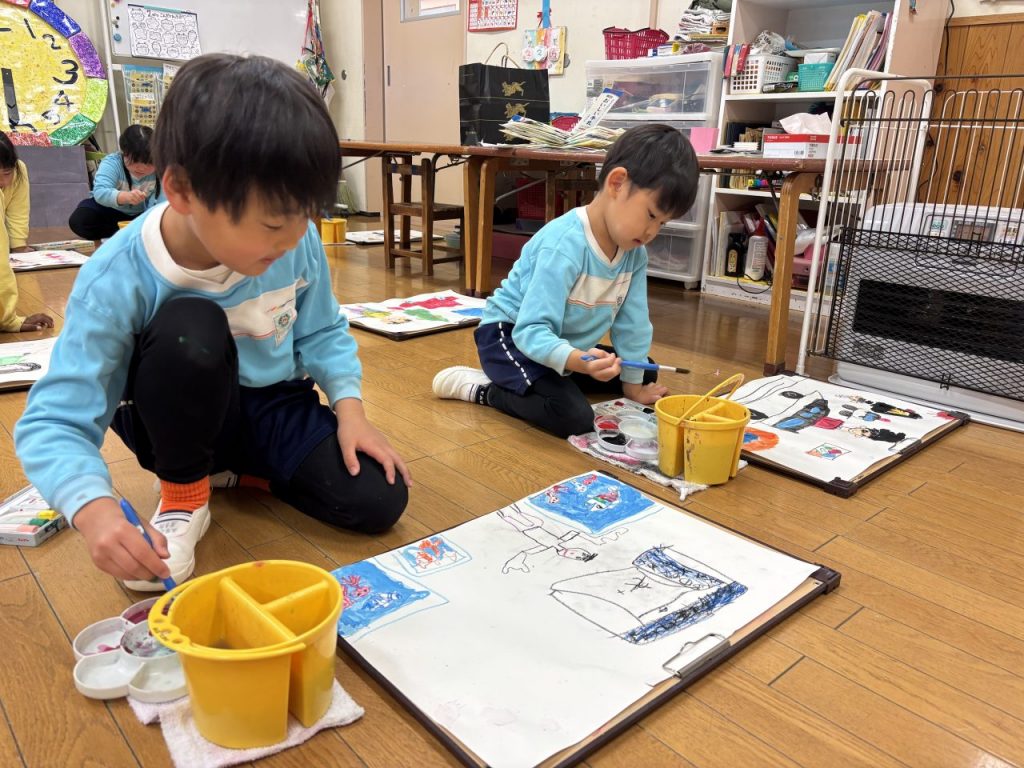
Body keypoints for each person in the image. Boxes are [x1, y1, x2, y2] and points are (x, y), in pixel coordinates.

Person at [15, 54, 410, 592]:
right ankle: (186, 492)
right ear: (181, 190)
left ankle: (238, 475)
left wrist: (351, 411)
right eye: (273, 222)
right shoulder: (117, 275)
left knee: (377, 498)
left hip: (272, 404)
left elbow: (321, 329)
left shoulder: (295, 240)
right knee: (191, 325)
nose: (295, 238)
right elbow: (55, 419)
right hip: (174, 418)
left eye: (306, 216)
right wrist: (94, 509)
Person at [432, 124, 699, 438]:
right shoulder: (564, 244)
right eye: (651, 215)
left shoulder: (634, 254)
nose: (653, 232)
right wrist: (577, 360)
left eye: (663, 224)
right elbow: (530, 329)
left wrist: (632, 386)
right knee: (572, 416)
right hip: (510, 338)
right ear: (617, 183)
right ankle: (486, 390)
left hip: (559, 343)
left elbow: (634, 324)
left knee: (642, 369)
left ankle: (550, 379)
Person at [68, 124, 162, 240]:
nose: (141, 168)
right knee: (80, 220)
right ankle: (127, 233)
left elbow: (161, 203)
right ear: (124, 153)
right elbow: (100, 192)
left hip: (140, 215)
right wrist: (124, 197)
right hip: (109, 211)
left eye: (149, 163)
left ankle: (130, 233)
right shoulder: (112, 163)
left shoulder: (162, 168)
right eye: (135, 161)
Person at [0, 132, 54, 333]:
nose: (3, 182)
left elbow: (18, 211)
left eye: (7, 173)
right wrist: (8, 320)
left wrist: (18, 245)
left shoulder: (19, 170)